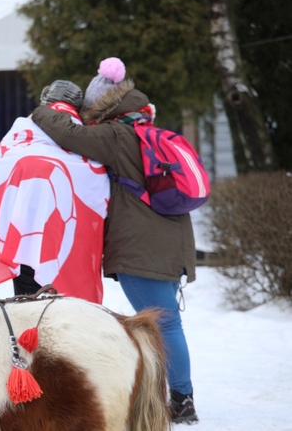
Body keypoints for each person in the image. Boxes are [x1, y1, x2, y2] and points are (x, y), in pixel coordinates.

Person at [30, 57, 199, 424]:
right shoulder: (148, 128)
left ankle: (179, 401)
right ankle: (181, 397)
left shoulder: (117, 135)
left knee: (161, 325)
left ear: (102, 105)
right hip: (173, 241)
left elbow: (68, 133)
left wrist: (43, 110)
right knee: (168, 322)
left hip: (143, 247)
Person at [0, 80, 109, 304]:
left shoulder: (20, 135)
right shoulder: (85, 140)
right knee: (68, 313)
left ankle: (29, 337)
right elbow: (98, 190)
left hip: (22, 237)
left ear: (45, 102)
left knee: (27, 309)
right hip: (69, 246)